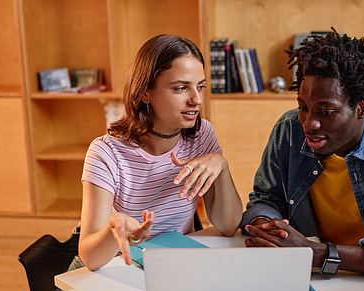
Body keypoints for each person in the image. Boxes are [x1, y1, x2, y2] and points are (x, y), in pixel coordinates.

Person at [241, 29, 364, 279]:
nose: (309, 124)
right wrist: (267, 228)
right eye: (303, 107)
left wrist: (319, 253)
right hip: (312, 277)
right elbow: (266, 198)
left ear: (363, 107)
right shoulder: (288, 130)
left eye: (326, 112)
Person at [77, 34, 242, 271]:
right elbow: (90, 258)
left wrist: (221, 165)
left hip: (181, 264)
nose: (196, 100)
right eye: (181, 88)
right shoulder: (106, 152)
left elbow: (228, 226)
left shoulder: (202, 135)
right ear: (145, 92)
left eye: (200, 87)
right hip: (125, 266)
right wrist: (115, 230)